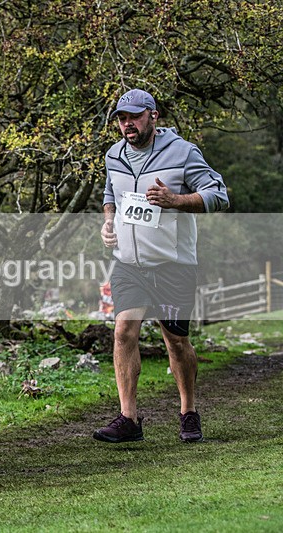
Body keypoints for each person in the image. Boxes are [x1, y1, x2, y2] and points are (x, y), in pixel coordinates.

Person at [96, 88, 229, 444]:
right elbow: (112, 195)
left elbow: (220, 195)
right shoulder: (114, 155)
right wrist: (108, 223)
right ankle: (129, 419)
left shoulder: (183, 153)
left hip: (173, 265)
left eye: (135, 117)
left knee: (176, 340)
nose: (128, 125)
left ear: (153, 116)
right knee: (123, 331)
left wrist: (176, 200)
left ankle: (188, 411)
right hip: (129, 263)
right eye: (122, 119)